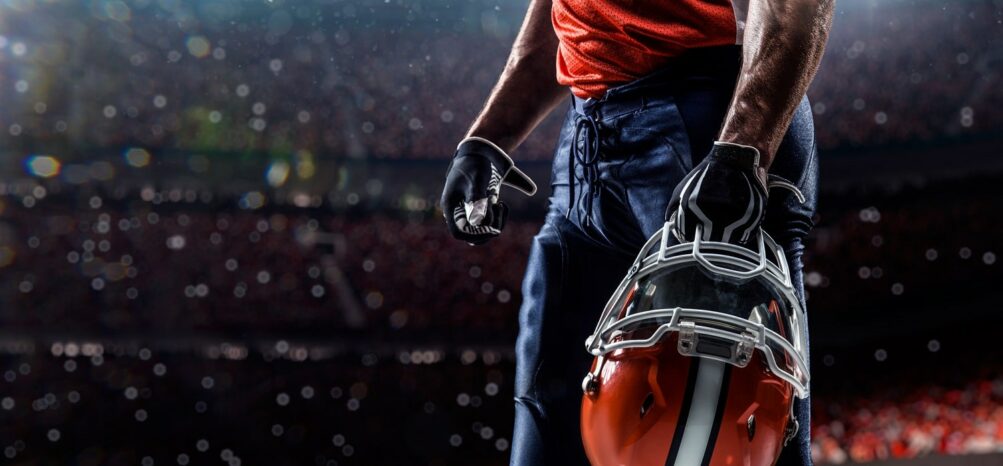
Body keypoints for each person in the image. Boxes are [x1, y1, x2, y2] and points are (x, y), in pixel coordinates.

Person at [440, 0, 834, 464]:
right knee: (546, 419)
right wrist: (489, 135)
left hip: (713, 116)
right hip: (588, 132)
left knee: (742, 436)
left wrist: (743, 148)